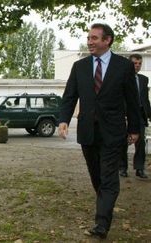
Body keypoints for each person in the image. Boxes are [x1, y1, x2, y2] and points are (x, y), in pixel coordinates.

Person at [58, 23, 141, 239]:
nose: (89, 41)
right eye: (88, 37)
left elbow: (132, 101)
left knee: (109, 177)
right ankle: (105, 204)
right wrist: (63, 120)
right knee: (97, 176)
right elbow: (69, 96)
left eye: (94, 38)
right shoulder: (80, 66)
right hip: (87, 131)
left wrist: (134, 128)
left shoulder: (124, 66)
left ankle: (102, 223)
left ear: (107, 40)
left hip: (113, 132)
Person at [120, 54, 151, 178]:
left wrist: (149, 114)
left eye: (139, 63)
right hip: (125, 115)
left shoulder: (144, 79)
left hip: (139, 116)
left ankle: (139, 169)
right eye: (134, 63)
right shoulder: (122, 78)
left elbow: (145, 100)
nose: (137, 66)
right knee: (123, 142)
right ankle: (122, 168)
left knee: (141, 143)